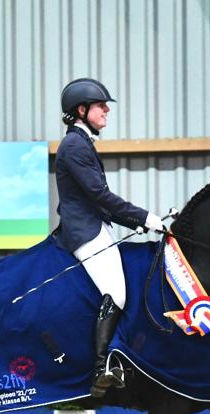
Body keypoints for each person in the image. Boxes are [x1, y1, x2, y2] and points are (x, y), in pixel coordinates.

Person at [55, 77, 164, 397]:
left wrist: (137, 224)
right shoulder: (75, 145)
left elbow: (98, 200)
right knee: (116, 292)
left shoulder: (82, 142)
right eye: (101, 106)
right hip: (84, 231)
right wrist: (144, 217)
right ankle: (102, 366)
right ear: (81, 109)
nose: (106, 111)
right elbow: (99, 196)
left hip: (95, 223)